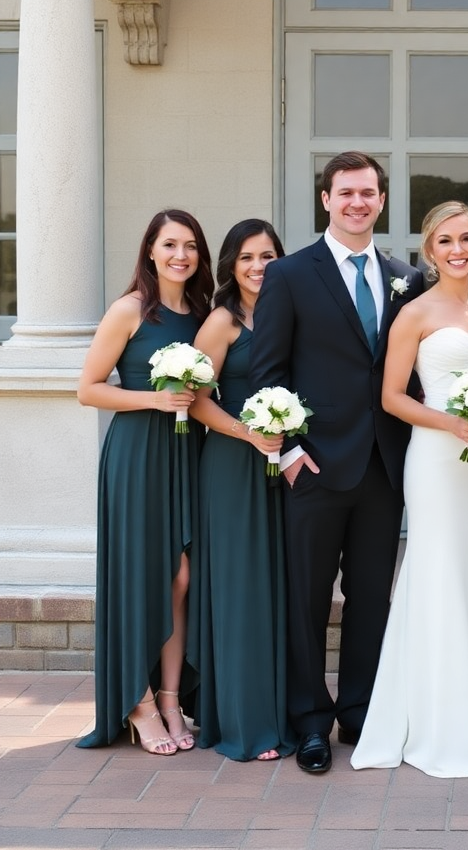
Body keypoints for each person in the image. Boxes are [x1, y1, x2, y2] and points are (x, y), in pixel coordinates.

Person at [249, 151, 424, 775]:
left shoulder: (409, 277)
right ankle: (311, 720)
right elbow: (265, 374)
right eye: (345, 192)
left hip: (384, 466)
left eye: (368, 193)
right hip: (314, 466)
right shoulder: (291, 275)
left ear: (381, 200)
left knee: (371, 596)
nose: (357, 202)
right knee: (308, 598)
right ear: (326, 199)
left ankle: (359, 711)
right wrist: (290, 451)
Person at [351, 202, 468, 777]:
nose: (458, 249)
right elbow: (392, 397)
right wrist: (449, 422)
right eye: (445, 241)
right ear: (430, 252)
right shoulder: (413, 312)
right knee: (439, 571)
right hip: (436, 457)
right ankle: (438, 719)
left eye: (467, 238)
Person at [77, 209, 213, 754]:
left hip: (187, 452)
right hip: (137, 453)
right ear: (151, 252)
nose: (181, 255)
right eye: (170, 245)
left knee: (183, 577)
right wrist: (154, 398)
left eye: (191, 246)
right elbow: (88, 389)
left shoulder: (203, 314)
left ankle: (171, 697)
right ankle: (136, 701)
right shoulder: (130, 309)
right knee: (143, 577)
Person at [188, 219, 296, 762]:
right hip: (233, 466)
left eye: (270, 256)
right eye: (248, 257)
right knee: (240, 593)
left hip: (284, 468)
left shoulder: (289, 312)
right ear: (231, 264)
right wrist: (249, 434)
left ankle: (281, 716)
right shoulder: (222, 322)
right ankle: (244, 724)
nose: (259, 267)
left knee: (276, 591)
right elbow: (198, 400)